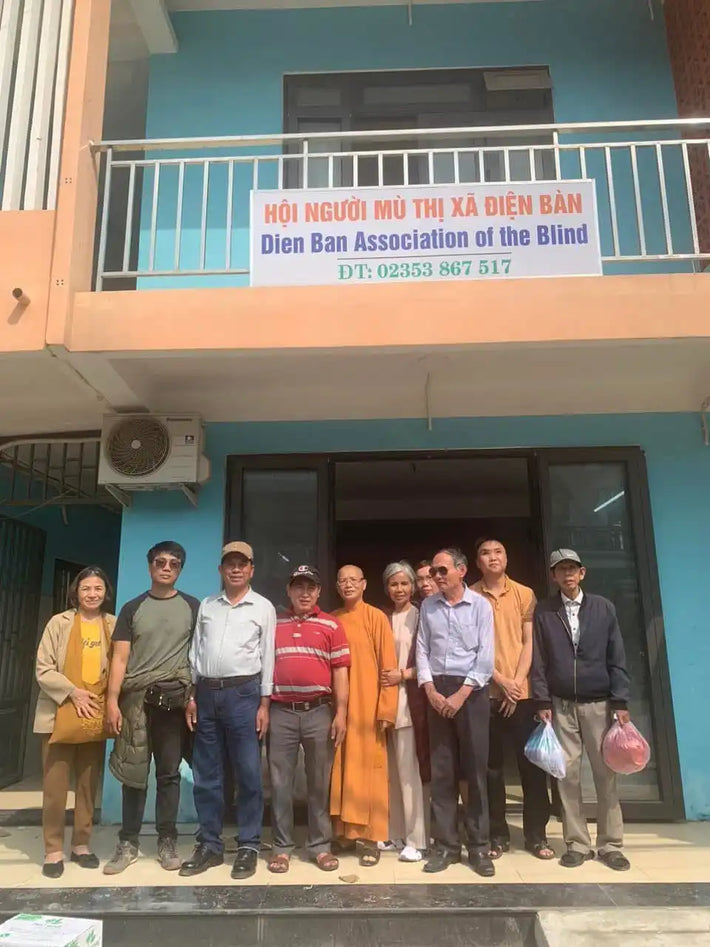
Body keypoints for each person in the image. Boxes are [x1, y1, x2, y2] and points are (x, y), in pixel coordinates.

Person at [180, 541, 276, 880]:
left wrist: (264, 703)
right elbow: (196, 651)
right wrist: (192, 693)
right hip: (206, 694)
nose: (235, 569)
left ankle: (248, 844)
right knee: (207, 775)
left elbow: (268, 657)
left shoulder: (262, 607)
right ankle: (210, 844)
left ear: (251, 569)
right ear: (220, 569)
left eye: (242, 564)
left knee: (249, 773)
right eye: (229, 564)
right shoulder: (208, 605)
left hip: (244, 695)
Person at [532, 548, 632, 871]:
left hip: (599, 705)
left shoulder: (603, 608)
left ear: (582, 573)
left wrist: (620, 701)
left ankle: (610, 844)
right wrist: (542, 700)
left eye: (572, 569)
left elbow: (617, 656)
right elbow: (539, 660)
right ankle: (576, 843)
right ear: (553, 576)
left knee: (606, 775)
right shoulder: (545, 611)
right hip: (560, 706)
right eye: (561, 570)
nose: (567, 575)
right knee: (567, 777)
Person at [104, 541, 199, 875]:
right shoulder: (132, 608)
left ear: (180, 570)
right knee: (134, 775)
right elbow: (119, 657)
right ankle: (128, 842)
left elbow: (197, 657)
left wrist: (193, 696)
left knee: (169, 774)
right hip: (135, 701)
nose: (167, 567)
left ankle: (167, 840)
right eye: (160, 561)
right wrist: (111, 702)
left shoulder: (192, 606)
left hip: (173, 702)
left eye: (174, 563)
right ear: (150, 566)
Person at [471, 538, 553, 860]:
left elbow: (528, 641)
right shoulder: (470, 595)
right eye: (486, 553)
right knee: (490, 770)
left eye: (499, 552)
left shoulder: (524, 593)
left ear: (507, 557)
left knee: (531, 768)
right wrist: (501, 681)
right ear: (477, 562)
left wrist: (517, 683)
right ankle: (497, 836)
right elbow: (471, 646)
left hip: (523, 695)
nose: (493, 557)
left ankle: (537, 836)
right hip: (485, 693)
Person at [416, 547, 495, 876]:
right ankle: (446, 845)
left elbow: (486, 656)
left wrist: (462, 694)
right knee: (443, 771)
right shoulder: (428, 607)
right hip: (437, 691)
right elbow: (421, 648)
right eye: (434, 571)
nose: (436, 576)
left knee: (475, 771)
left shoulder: (481, 606)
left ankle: (478, 847)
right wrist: (430, 688)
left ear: (461, 570)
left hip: (471, 691)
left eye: (442, 570)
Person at [267, 565, 350, 874]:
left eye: (310, 587)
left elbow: (341, 671)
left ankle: (319, 845)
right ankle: (282, 847)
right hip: (281, 712)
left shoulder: (331, 625)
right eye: (298, 586)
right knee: (279, 782)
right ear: (289, 590)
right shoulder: (274, 623)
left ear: (318, 592)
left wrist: (341, 712)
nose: (304, 592)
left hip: (319, 711)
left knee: (319, 781)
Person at [34, 567, 115, 878]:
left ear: (105, 592)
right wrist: (72, 692)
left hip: (94, 713)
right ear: (76, 593)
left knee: (87, 784)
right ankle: (53, 849)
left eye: (97, 588)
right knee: (55, 786)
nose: (92, 594)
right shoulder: (60, 623)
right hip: (60, 712)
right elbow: (43, 668)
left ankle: (81, 844)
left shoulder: (112, 624)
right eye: (86, 589)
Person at [330, 564, 398, 867]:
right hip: (339, 709)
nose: (347, 585)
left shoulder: (376, 617)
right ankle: (343, 834)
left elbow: (388, 666)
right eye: (342, 581)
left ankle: (371, 838)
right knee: (341, 771)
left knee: (370, 773)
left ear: (364, 584)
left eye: (353, 580)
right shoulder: (332, 620)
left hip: (369, 708)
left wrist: (386, 708)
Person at [380, 561, 428, 862]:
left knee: (410, 773)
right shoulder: (381, 617)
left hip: (410, 701)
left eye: (404, 584)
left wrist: (405, 674)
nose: (399, 589)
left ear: (412, 586)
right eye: (393, 584)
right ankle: (396, 832)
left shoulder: (423, 616)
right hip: (385, 702)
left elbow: (434, 657)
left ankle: (418, 838)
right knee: (391, 774)